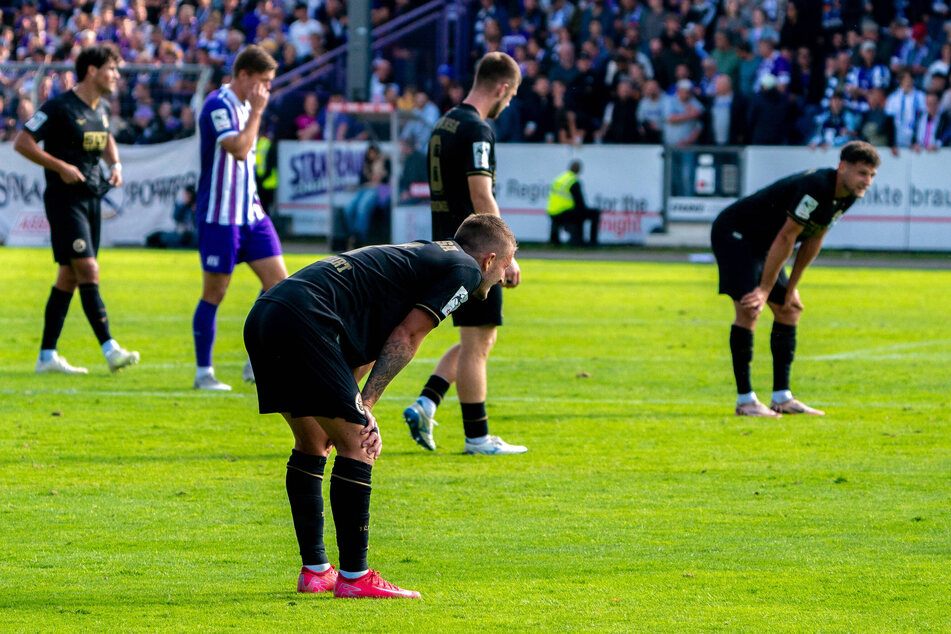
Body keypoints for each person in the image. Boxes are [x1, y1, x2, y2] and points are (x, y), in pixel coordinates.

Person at [244, 214, 518, 598]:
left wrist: (358, 403)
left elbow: (367, 344)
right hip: (304, 318)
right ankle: (355, 578)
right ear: (489, 260)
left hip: (268, 312)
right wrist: (365, 407)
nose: (507, 274)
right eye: (507, 263)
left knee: (315, 443)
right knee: (359, 444)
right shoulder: (465, 271)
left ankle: (316, 571)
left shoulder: (424, 257)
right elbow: (407, 336)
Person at [402, 52, 527, 455]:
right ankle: (477, 436)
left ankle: (427, 402)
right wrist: (506, 255)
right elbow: (480, 193)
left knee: (478, 338)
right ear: (503, 88)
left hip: (447, 244)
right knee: (478, 344)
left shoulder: (445, 122)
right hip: (477, 253)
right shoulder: (477, 129)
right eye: (511, 94)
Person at [710, 141, 880, 417]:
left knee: (789, 309)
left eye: (872, 175)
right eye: (862, 173)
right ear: (843, 167)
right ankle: (746, 401)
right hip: (736, 234)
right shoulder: (816, 187)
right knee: (750, 308)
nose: (867, 182)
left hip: (765, 244)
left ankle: (782, 397)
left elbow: (814, 238)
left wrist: (791, 287)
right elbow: (787, 236)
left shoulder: (848, 195)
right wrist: (764, 290)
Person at [14, 43, 139, 375]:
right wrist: (60, 167)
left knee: (68, 276)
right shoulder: (59, 106)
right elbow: (22, 142)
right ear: (93, 71)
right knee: (89, 270)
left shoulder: (101, 108)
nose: (116, 76)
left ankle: (46, 356)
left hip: (91, 198)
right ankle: (111, 349)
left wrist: (117, 165)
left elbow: (107, 136)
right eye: (112, 69)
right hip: (64, 200)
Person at [192, 44, 288, 391]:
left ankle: (255, 360)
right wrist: (258, 112)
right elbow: (238, 149)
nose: (266, 90)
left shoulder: (248, 104)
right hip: (220, 215)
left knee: (281, 287)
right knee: (215, 292)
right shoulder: (219, 104)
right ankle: (204, 373)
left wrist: (255, 108)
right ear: (243, 75)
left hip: (251, 213)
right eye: (262, 81)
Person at [547, 160, 600, 246]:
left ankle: (572, 239)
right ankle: (592, 242)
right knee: (594, 214)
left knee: (579, 213)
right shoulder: (573, 181)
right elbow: (580, 202)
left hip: (552, 211)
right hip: (564, 212)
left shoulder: (560, 178)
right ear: (579, 170)